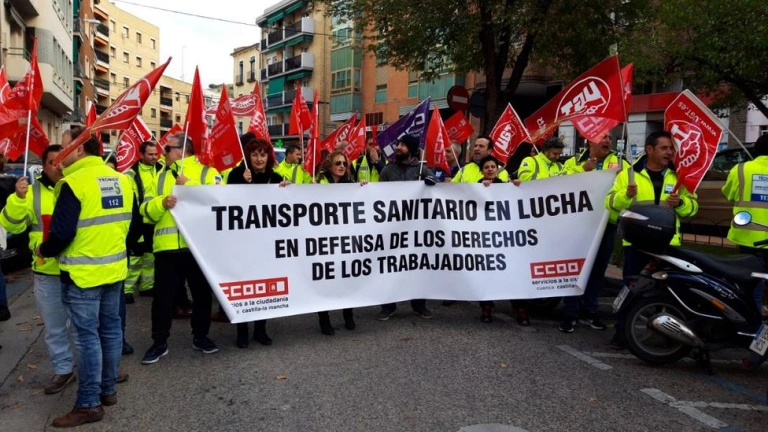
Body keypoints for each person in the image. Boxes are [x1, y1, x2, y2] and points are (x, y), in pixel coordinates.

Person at [38, 133, 141, 427]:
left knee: (87, 338)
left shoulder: (73, 183)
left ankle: (88, 403)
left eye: (65, 146)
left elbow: (61, 234)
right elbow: (134, 228)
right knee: (110, 331)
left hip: (82, 275)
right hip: (115, 271)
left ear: (80, 149)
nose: (62, 152)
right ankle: (107, 390)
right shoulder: (122, 180)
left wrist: (43, 250)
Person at [605, 131, 698, 349]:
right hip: (637, 244)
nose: (669, 152)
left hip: (667, 245)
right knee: (631, 289)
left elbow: (693, 208)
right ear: (649, 149)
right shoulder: (629, 175)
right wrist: (626, 196)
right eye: (664, 148)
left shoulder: (679, 176)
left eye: (671, 148)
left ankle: (664, 334)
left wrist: (681, 203)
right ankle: (622, 333)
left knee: (666, 292)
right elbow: (610, 203)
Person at [0, 144, 77, 394]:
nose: (58, 166)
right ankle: (64, 370)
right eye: (52, 162)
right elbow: (12, 225)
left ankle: (92, 368)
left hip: (78, 270)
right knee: (55, 328)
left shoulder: (77, 185)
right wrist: (18, 199)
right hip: (47, 272)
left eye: (61, 160)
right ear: (43, 166)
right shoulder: (30, 192)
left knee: (84, 326)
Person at [140, 133, 221, 365]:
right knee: (162, 300)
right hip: (166, 249)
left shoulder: (208, 173)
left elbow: (220, 201)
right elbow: (145, 210)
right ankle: (159, 342)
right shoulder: (158, 176)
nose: (162, 153)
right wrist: (161, 203)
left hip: (197, 248)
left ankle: (201, 337)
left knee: (202, 296)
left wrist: (190, 187)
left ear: (182, 150)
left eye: (167, 149)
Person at [559, 134, 630, 333]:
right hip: (579, 224)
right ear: (591, 141)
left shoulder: (620, 163)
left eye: (609, 137)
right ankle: (570, 313)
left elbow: (627, 188)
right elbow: (559, 183)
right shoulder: (574, 161)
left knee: (598, 270)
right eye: (602, 137)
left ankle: (589, 311)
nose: (607, 141)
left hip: (606, 224)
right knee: (575, 268)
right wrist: (582, 170)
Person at [228, 138, 285, 348]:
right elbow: (226, 202)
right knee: (243, 286)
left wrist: (286, 190)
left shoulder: (276, 177)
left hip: (266, 243)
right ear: (248, 157)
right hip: (242, 242)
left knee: (265, 287)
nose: (259, 159)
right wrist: (242, 182)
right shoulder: (236, 174)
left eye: (263, 155)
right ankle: (242, 331)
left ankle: (261, 329)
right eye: (254, 155)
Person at [378, 135, 436, 320]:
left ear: (411, 149)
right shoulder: (387, 170)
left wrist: (431, 181)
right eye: (398, 144)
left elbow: (436, 190)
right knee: (389, 267)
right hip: (392, 228)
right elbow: (377, 196)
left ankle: (419, 305)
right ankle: (388, 306)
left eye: (402, 145)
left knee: (417, 267)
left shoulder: (422, 170)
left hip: (416, 230)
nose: (398, 147)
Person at [722, 134, 768, 311]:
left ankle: (754, 321)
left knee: (753, 283)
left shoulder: (740, 169)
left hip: (748, 237)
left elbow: (728, 194)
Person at [314, 150, 358, 334]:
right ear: (329, 164)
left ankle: (348, 314)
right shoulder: (318, 181)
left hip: (344, 239)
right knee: (324, 281)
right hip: (323, 239)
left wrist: (364, 189)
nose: (341, 166)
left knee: (346, 279)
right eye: (338, 163)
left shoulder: (351, 184)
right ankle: (324, 319)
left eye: (344, 164)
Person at [123, 142, 164, 302]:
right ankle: (127, 290)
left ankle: (147, 287)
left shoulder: (162, 170)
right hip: (138, 221)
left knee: (150, 257)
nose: (154, 157)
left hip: (156, 219)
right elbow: (129, 201)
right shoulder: (131, 174)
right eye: (150, 154)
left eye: (156, 154)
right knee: (135, 258)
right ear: (141, 155)